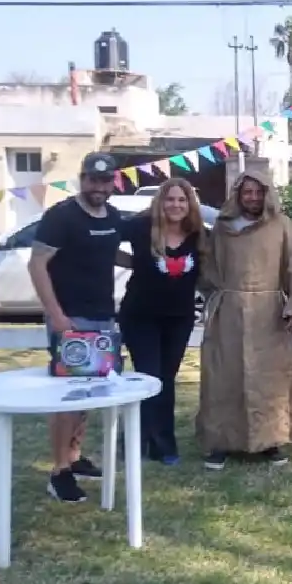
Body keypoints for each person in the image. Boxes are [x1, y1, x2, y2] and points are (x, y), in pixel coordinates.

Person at [195, 172, 292, 470]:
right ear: (238, 195)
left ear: (267, 194)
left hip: (269, 312)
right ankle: (221, 441)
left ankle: (271, 440)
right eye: (247, 192)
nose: (253, 198)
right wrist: (213, 296)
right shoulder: (222, 228)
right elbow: (208, 264)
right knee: (225, 375)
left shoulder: (282, 226)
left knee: (271, 376)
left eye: (258, 192)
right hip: (229, 311)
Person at [28, 151, 125, 503]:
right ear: (82, 180)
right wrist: (56, 316)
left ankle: (74, 456)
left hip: (103, 319)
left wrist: (147, 262)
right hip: (71, 320)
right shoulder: (62, 216)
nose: (99, 186)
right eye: (93, 180)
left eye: (105, 180)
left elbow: (110, 251)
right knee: (67, 398)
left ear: (113, 182)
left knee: (86, 397)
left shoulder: (112, 216)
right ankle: (59, 473)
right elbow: (37, 264)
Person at [115, 178, 205, 465]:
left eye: (182, 200)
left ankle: (164, 445)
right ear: (160, 202)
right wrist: (132, 262)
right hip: (140, 315)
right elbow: (104, 240)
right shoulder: (141, 228)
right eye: (170, 199)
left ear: (189, 204)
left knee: (166, 380)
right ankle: (133, 444)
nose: (176, 205)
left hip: (178, 318)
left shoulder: (198, 235)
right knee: (147, 378)